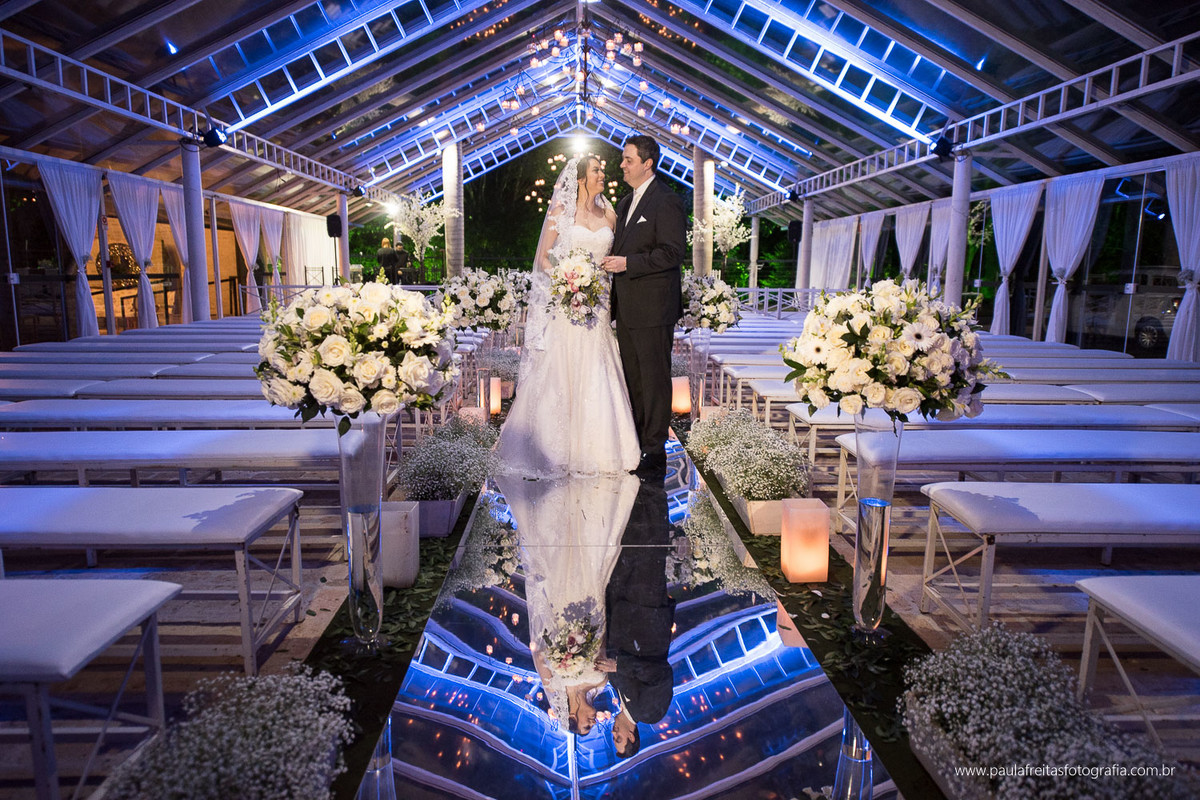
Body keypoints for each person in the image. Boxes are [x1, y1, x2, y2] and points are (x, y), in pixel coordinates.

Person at [495, 155, 640, 478]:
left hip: (599, 305)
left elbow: (616, 257)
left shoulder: (611, 215)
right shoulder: (561, 212)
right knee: (562, 368)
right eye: (597, 170)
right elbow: (544, 258)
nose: (604, 174)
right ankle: (552, 447)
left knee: (598, 366)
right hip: (568, 302)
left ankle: (601, 450)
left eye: (602, 170)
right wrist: (566, 278)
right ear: (580, 179)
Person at [494, 473, 640, 736]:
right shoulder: (601, 684)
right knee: (592, 558)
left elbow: (540, 650)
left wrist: (564, 651)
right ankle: (590, 499)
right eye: (592, 726)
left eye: (586, 725)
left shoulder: (553, 683)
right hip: (594, 614)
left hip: (561, 613)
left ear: (571, 717)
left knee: (561, 560)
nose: (594, 722)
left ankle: (559, 499)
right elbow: (605, 648)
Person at [601, 135, 687, 478]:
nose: (621, 164)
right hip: (628, 308)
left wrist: (628, 264)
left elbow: (672, 252)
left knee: (654, 380)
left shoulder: (666, 200)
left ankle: (655, 448)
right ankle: (636, 441)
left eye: (628, 159)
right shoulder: (624, 204)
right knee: (633, 379)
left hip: (653, 307)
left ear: (647, 163)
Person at [599, 477, 676, 759]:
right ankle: (649, 488)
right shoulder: (651, 713)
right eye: (619, 740)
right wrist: (621, 665)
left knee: (625, 543)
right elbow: (661, 675)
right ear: (632, 737)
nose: (614, 734)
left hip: (621, 606)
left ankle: (628, 489)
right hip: (645, 609)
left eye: (613, 739)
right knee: (647, 545)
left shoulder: (618, 696)